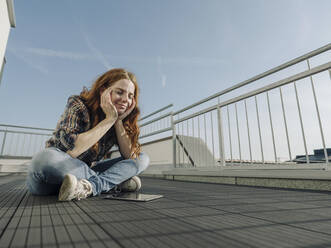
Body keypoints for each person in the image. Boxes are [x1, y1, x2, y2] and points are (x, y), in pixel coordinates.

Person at [26, 68, 150, 201]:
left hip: (85, 171)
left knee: (141, 158)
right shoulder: (78, 104)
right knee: (43, 160)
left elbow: (130, 157)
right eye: (120, 92)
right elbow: (71, 151)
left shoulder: (120, 120)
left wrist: (118, 121)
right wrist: (109, 119)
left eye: (131, 96)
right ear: (103, 91)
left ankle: (90, 186)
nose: (126, 100)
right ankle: (111, 182)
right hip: (57, 170)